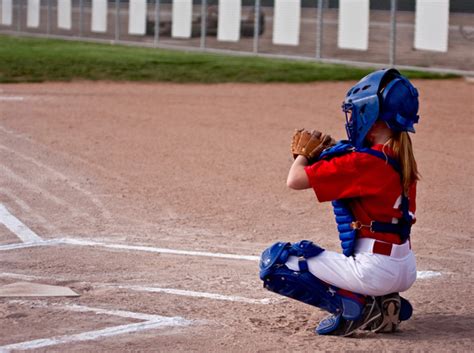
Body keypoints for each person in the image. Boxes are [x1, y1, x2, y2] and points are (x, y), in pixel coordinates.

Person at [259, 68, 420, 337]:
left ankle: (359, 306)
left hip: (375, 269)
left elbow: (295, 180)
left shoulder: (364, 162)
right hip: (403, 266)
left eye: (358, 110)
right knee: (360, 262)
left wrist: (304, 156)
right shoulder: (401, 158)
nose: (354, 117)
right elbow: (355, 166)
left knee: (276, 262)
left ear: (374, 116)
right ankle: (382, 300)